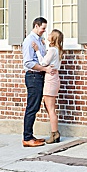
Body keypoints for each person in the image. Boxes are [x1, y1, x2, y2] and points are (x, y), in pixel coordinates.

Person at [22, 17, 57, 147]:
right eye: (42, 28)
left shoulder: (39, 41)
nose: (44, 31)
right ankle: (27, 138)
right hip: (33, 77)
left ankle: (30, 135)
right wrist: (45, 69)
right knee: (32, 107)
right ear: (36, 26)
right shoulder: (29, 41)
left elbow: (42, 59)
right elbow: (28, 63)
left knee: (35, 107)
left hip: (39, 76)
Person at [33, 28, 64, 144]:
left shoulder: (52, 50)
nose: (48, 34)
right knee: (50, 108)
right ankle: (54, 132)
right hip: (54, 78)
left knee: (50, 109)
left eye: (51, 34)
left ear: (54, 38)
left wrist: (37, 50)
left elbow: (43, 63)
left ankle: (55, 133)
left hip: (50, 80)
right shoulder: (57, 50)